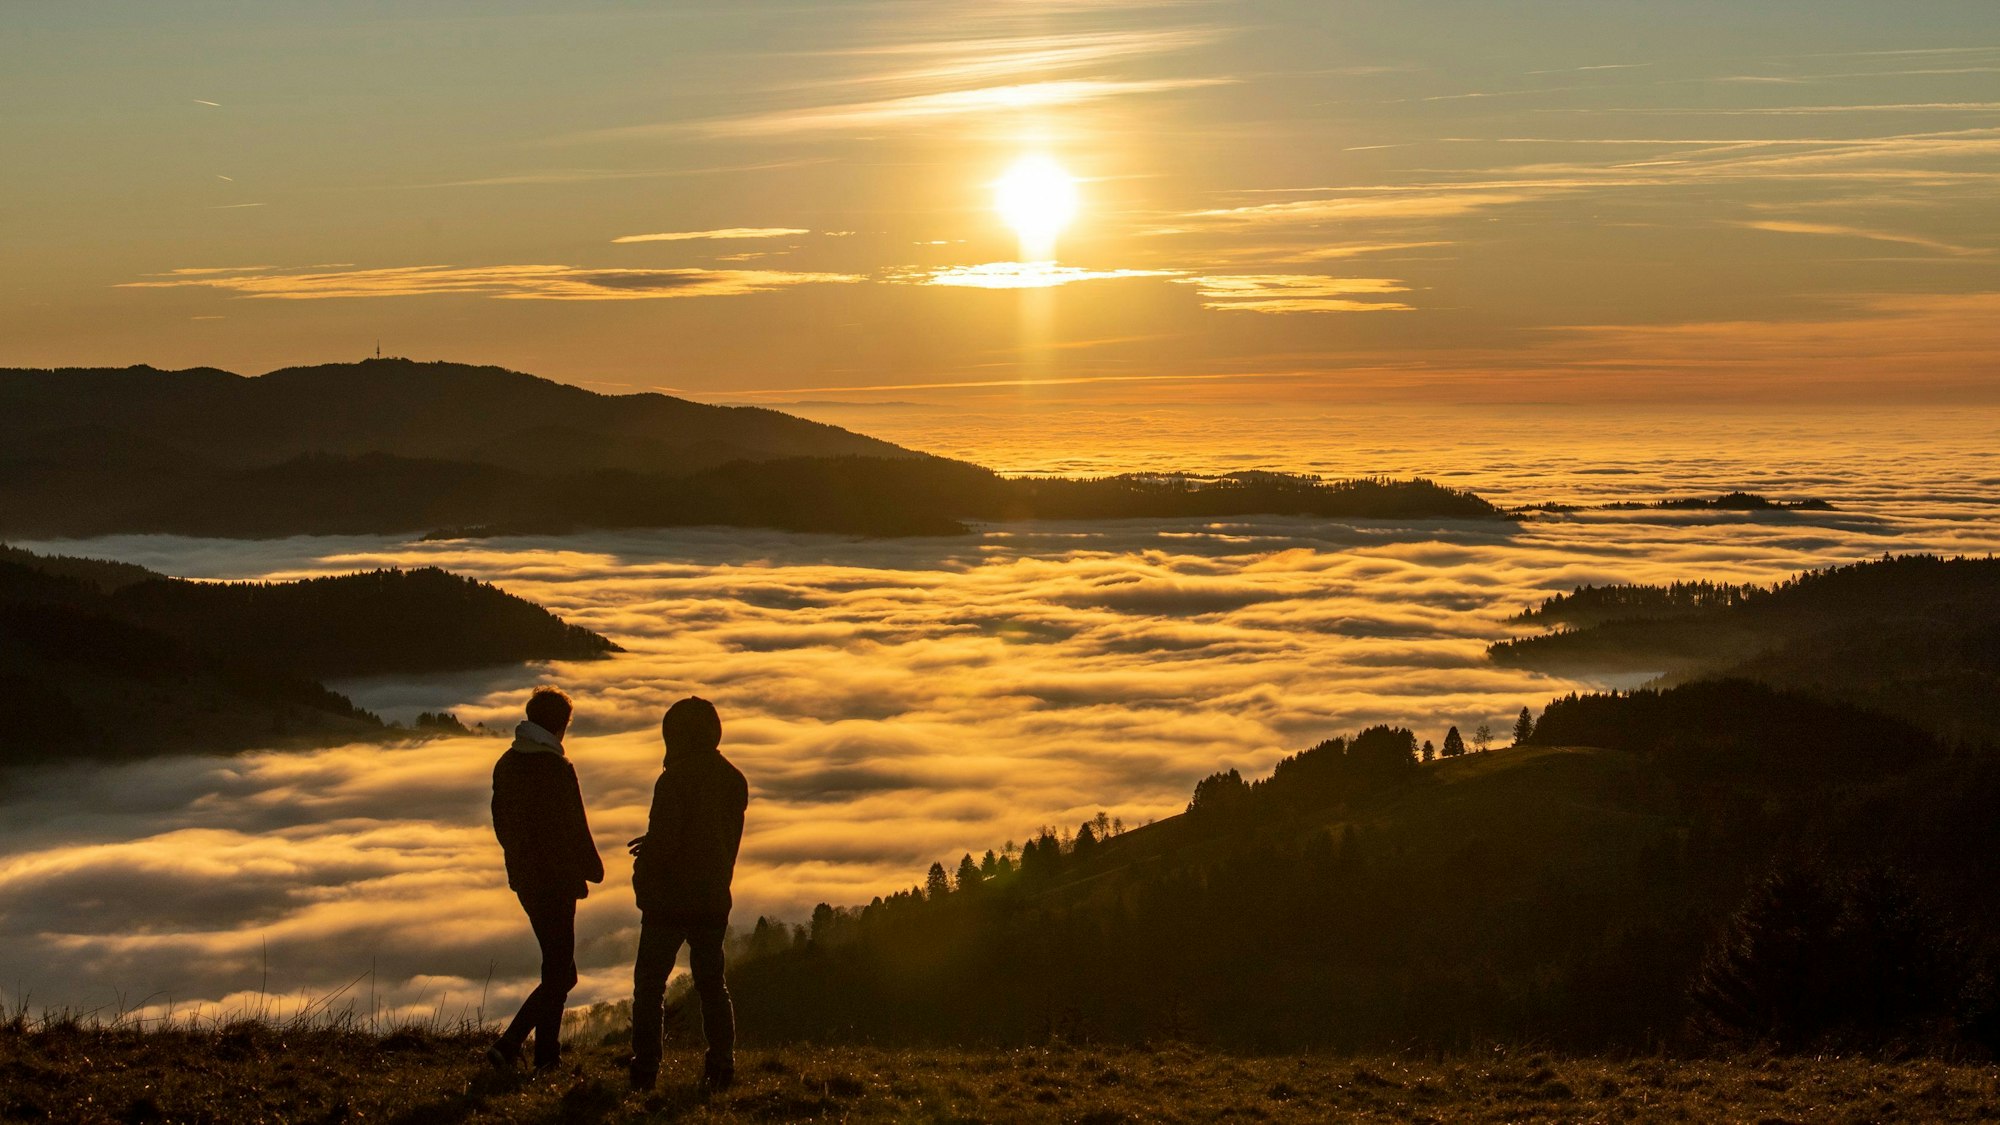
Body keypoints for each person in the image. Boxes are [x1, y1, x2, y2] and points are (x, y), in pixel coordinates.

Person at [628, 696, 748, 1093]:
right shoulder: (734, 779)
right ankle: (721, 1065)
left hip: (668, 901)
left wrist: (642, 880)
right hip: (713, 897)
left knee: (649, 986)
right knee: (713, 984)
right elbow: (712, 837)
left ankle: (645, 1071)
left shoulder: (673, 779)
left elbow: (666, 843)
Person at [487, 686, 603, 1071]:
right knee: (562, 973)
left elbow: (502, 825)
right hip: (557, 882)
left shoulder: (506, 763)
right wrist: (593, 867)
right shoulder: (557, 768)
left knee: (555, 968)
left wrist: (519, 863)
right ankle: (510, 1044)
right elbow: (575, 826)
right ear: (561, 726)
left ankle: (546, 1057)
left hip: (525, 879)